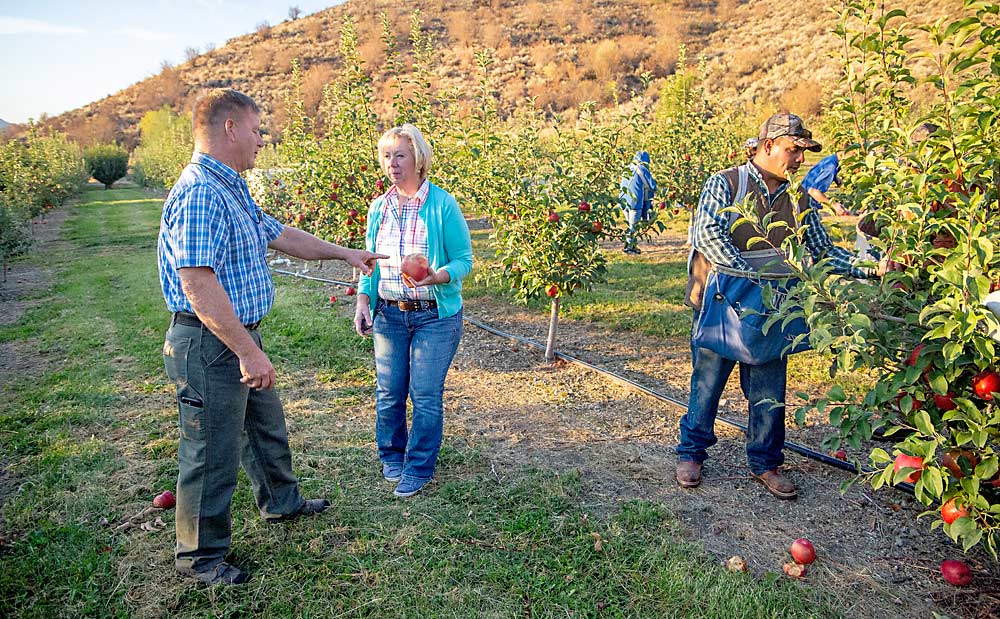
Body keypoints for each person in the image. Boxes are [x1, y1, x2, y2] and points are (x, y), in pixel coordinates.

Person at [158, 89, 385, 585]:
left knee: (264, 426)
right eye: (257, 130)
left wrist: (346, 253)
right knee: (211, 450)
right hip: (210, 342)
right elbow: (197, 283)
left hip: (236, 337)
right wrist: (246, 351)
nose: (263, 140)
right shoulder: (201, 192)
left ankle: (281, 503)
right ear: (230, 129)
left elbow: (279, 234)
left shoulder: (231, 186)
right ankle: (200, 558)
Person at [677, 112, 882, 499]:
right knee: (707, 382)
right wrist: (749, 276)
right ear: (768, 146)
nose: (799, 160)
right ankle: (692, 452)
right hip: (721, 303)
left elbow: (821, 250)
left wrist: (870, 268)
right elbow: (707, 233)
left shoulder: (799, 198)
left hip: (773, 309)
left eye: (803, 153)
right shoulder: (726, 184)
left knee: (769, 389)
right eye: (793, 150)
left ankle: (766, 461)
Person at [354, 124, 473, 499]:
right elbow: (369, 262)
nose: (392, 163)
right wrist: (362, 299)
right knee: (389, 392)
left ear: (418, 159)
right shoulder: (379, 207)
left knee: (424, 394)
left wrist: (438, 276)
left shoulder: (441, 205)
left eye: (400, 155)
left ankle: (419, 467)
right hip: (389, 313)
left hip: (434, 316)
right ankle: (392, 455)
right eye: (387, 156)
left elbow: (464, 260)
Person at [619, 151, 657, 254]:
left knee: (630, 226)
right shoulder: (643, 169)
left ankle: (632, 246)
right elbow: (653, 186)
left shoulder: (627, 168)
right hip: (634, 203)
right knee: (633, 227)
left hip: (623, 201)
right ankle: (629, 248)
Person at [801, 150, 850, 216]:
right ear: (842, 154)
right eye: (853, 156)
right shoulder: (831, 168)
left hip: (803, 191)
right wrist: (833, 206)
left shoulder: (831, 159)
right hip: (807, 203)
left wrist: (835, 178)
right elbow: (813, 191)